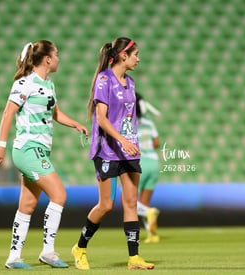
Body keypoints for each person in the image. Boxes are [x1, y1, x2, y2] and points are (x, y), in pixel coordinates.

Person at [0, 40, 88, 270]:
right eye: (57, 54)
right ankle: (48, 251)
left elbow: (55, 114)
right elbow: (7, 113)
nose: (58, 58)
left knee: (27, 205)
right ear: (47, 59)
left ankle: (13, 258)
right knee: (59, 195)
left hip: (40, 149)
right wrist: (1, 144)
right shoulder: (24, 84)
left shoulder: (49, 85)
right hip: (27, 149)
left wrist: (76, 124)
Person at [72, 37, 155, 270]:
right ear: (122, 56)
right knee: (106, 205)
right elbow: (102, 118)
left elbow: (128, 119)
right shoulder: (104, 79)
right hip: (108, 149)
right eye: (135, 54)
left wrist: (132, 142)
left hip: (129, 150)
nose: (138, 58)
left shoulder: (131, 82)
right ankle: (79, 248)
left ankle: (134, 258)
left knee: (130, 202)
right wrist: (122, 141)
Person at [135, 92, 161, 244]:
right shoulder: (149, 121)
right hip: (153, 162)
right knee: (143, 203)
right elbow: (156, 143)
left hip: (139, 162)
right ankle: (152, 235)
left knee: (131, 202)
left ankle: (148, 212)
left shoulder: (129, 122)